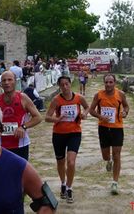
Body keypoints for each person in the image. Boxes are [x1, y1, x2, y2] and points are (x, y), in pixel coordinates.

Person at [45, 75, 89, 204]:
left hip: (74, 133)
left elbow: (87, 107)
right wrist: (57, 119)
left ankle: (69, 188)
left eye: (66, 84)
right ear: (59, 86)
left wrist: (84, 114)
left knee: (71, 162)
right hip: (59, 134)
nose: (65, 87)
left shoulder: (79, 98)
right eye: (62, 85)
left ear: (70, 84)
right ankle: (63, 183)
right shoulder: (56, 100)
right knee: (60, 162)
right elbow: (47, 117)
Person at [88, 73, 129, 195]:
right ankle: (108, 160)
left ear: (114, 83)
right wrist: (100, 116)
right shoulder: (99, 95)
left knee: (117, 155)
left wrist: (125, 113)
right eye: (106, 82)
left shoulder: (120, 94)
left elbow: (126, 107)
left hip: (117, 128)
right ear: (104, 83)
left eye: (111, 82)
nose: (108, 84)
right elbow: (91, 110)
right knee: (106, 156)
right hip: (103, 128)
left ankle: (115, 183)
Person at [0, 71, 42, 160]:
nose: (7, 83)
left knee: (20, 172)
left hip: (20, 144)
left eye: (9, 80)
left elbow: (38, 117)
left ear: (15, 82)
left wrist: (23, 127)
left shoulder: (23, 98)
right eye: (4, 80)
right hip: (1, 145)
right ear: (1, 84)